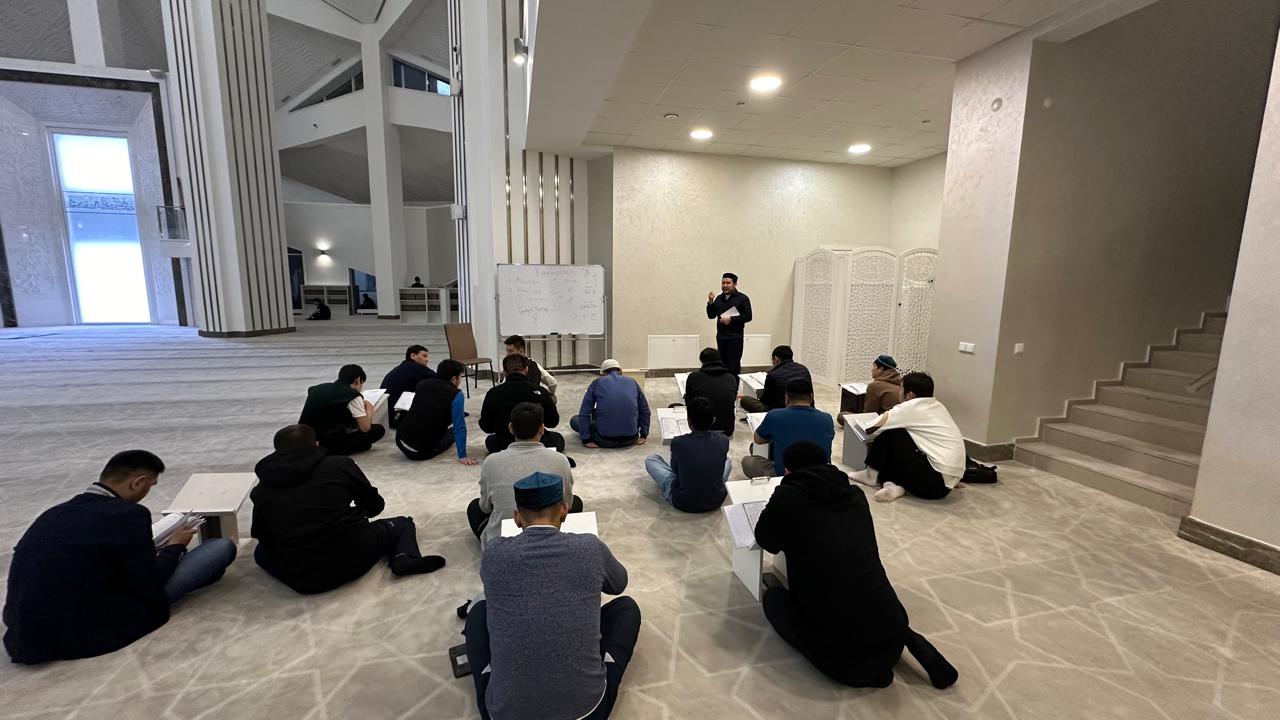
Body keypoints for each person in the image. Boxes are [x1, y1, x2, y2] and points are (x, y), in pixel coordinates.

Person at [754, 441, 959, 690]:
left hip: (843, 654)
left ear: (788, 471)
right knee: (864, 600)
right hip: (890, 623)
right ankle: (910, 641)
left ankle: (869, 667)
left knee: (774, 599)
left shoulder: (788, 496)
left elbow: (766, 540)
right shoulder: (855, 495)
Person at [3, 451, 236, 664]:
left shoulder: (54, 513)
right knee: (219, 547)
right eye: (150, 486)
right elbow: (148, 582)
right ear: (137, 482)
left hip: (24, 632)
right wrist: (175, 546)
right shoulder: (128, 514)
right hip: (87, 629)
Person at [464, 473, 641, 720]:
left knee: (478, 612)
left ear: (517, 517)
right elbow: (619, 584)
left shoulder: (494, 553)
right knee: (627, 608)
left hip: (504, 714)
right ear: (564, 511)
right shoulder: (590, 547)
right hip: (587, 712)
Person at [251, 425, 445, 594]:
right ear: (316, 444)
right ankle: (403, 557)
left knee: (260, 552)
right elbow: (375, 505)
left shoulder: (262, 489)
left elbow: (264, 535)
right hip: (354, 557)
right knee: (402, 524)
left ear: (277, 452)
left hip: (303, 579)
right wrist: (358, 516)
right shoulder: (339, 465)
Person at [468, 403, 582, 545]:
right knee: (576, 503)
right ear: (542, 429)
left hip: (505, 541)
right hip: (549, 530)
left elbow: (485, 507)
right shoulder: (560, 460)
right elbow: (568, 503)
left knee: (474, 508)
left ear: (511, 428)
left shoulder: (491, 462)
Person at [853, 372, 966, 503]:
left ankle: (870, 475)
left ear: (910, 395)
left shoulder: (909, 407)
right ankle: (892, 485)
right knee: (903, 438)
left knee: (890, 433)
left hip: (931, 481)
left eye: (901, 389)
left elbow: (871, 428)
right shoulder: (939, 406)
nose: (899, 392)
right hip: (945, 487)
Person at [644, 397, 730, 512]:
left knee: (652, 459)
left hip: (683, 501)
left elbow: (675, 470)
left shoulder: (678, 442)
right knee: (728, 461)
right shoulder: (723, 440)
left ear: (689, 421)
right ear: (713, 420)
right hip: (715, 500)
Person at [743, 378, 834, 479]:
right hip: (820, 475)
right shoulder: (827, 418)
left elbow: (758, 440)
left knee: (748, 460)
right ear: (811, 397)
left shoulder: (775, 415)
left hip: (785, 475)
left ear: (786, 398)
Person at [480, 353, 566, 454]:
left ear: (504, 372)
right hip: (537, 441)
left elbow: (486, 426)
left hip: (505, 442)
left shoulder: (493, 393)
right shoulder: (540, 391)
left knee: (490, 440)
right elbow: (553, 422)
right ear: (526, 370)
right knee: (558, 438)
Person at [396, 359, 477, 464]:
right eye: (460, 377)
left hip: (400, 440)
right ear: (454, 379)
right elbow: (459, 427)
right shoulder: (457, 395)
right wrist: (463, 456)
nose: (460, 380)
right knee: (452, 432)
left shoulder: (422, 384)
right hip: (420, 452)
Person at [299, 364, 386, 455]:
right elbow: (365, 428)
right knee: (378, 430)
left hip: (304, 437)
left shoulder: (316, 389)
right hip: (329, 444)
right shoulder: (353, 395)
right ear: (358, 380)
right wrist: (369, 410)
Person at [571, 359, 650, 448]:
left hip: (604, 440)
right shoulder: (632, 381)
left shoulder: (597, 382)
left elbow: (585, 412)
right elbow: (645, 410)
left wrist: (586, 439)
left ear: (604, 373)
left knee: (575, 420)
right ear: (620, 371)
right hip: (631, 439)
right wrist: (643, 435)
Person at [741, 345, 812, 414]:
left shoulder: (773, 375)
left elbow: (765, 401)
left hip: (780, 411)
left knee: (745, 400)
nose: (772, 363)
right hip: (806, 407)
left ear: (776, 359)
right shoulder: (803, 369)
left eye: (772, 360)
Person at [705, 272, 752, 377]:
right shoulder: (719, 298)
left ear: (734, 284)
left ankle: (733, 386)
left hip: (735, 338)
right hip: (721, 336)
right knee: (722, 364)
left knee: (733, 366)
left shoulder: (743, 298)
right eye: (723, 283)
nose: (725, 285)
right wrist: (710, 302)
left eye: (728, 283)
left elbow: (748, 316)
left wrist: (731, 319)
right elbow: (711, 315)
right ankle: (723, 385)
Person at [381, 345, 438, 427]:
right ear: (413, 356)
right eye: (424, 356)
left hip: (388, 417)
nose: (427, 360)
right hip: (397, 417)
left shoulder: (404, 367)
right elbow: (440, 379)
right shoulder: (415, 367)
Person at [684, 347, 737, 436]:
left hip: (700, 426)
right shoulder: (731, 378)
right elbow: (732, 399)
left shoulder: (694, 377)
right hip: (727, 427)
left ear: (702, 361)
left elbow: (688, 402)